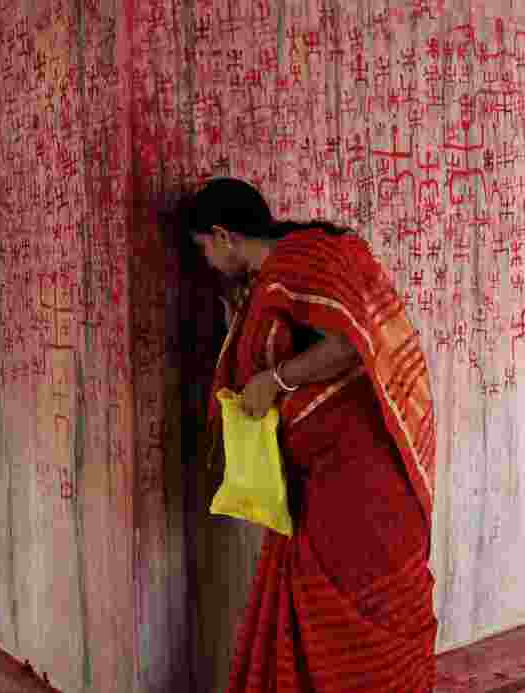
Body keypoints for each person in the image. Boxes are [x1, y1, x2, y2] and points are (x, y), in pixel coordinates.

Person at [178, 178, 439, 692]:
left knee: (358, 609)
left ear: (222, 235)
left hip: (360, 473)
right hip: (320, 473)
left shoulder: (303, 258)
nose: (206, 263)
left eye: (204, 250)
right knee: (319, 606)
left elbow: (350, 344)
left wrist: (271, 381)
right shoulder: (270, 278)